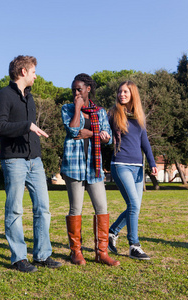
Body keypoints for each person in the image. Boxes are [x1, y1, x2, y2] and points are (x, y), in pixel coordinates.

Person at [0, 55, 62, 273]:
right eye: (33, 71)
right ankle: (18, 258)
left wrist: (31, 133)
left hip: (35, 161)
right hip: (14, 160)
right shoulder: (4, 95)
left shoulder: (30, 98)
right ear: (23, 71)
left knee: (43, 208)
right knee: (14, 209)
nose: (36, 75)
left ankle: (42, 255)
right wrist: (27, 126)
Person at [61, 73, 120, 267]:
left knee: (101, 207)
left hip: (94, 168)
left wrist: (95, 134)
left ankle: (101, 253)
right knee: (75, 209)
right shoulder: (67, 108)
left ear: (88, 89)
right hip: (74, 166)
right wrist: (77, 109)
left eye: (79, 89)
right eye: (73, 90)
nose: (76, 93)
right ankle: (76, 252)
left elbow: (109, 137)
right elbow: (72, 130)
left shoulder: (100, 112)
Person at [107, 81, 158, 260]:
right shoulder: (113, 114)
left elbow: (145, 142)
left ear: (132, 94)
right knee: (134, 205)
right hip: (120, 165)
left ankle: (112, 233)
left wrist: (152, 163)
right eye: (120, 91)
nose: (122, 94)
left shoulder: (138, 117)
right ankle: (134, 245)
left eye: (125, 92)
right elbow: (105, 135)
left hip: (138, 167)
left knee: (134, 207)